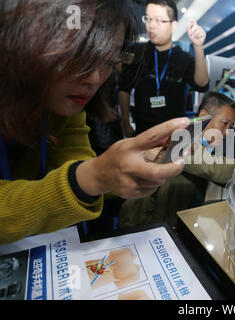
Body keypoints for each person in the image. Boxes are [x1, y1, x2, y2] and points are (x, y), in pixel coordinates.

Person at [0, 0, 189, 244]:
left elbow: (79, 167)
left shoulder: (64, 110)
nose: (95, 78)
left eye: (108, 62)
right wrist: (95, 177)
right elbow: (84, 177)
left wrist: (122, 171)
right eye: (78, 54)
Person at [118, 92, 235, 230]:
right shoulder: (183, 138)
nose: (227, 132)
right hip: (142, 222)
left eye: (231, 126)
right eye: (224, 124)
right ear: (204, 115)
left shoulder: (202, 142)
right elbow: (212, 168)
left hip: (164, 220)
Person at [119, 0, 210, 137]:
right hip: (143, 133)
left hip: (174, 136)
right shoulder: (137, 52)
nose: (151, 25)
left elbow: (202, 85)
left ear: (173, 25)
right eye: (148, 19)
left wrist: (198, 47)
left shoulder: (183, 58)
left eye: (158, 20)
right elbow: (124, 89)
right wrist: (125, 123)